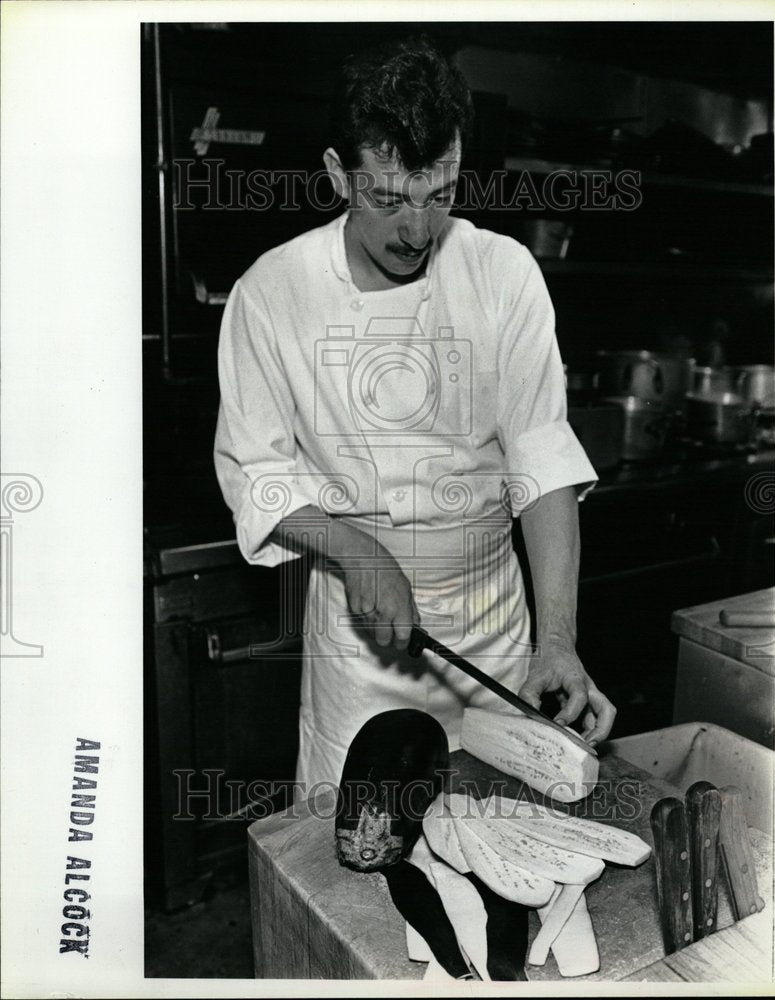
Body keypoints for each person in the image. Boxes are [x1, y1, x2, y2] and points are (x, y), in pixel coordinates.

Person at [214, 36, 616, 793]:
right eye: (390, 199)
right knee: (360, 856)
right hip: (362, 659)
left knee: (499, 835)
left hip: (495, 642)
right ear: (339, 173)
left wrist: (556, 642)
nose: (417, 231)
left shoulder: (503, 272)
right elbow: (255, 471)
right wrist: (355, 550)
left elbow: (542, 456)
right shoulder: (273, 292)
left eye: (440, 195)